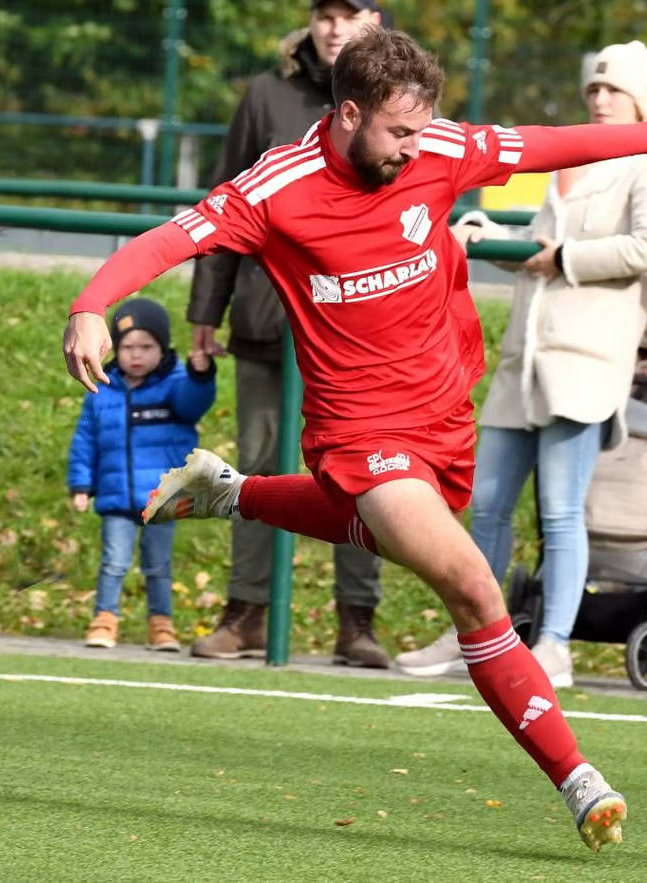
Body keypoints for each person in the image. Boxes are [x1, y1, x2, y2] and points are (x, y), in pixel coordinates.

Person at [63, 28, 647, 851]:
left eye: (422, 129)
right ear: (348, 112)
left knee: (401, 529)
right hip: (358, 430)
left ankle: (232, 491)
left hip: (442, 410)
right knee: (472, 583)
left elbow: (545, 143)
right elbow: (174, 236)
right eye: (399, 132)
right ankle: (579, 778)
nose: (414, 147)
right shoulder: (280, 185)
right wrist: (92, 302)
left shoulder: (436, 146)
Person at [395, 40, 647, 687]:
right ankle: (470, 630)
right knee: (488, 503)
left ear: (640, 99)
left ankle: (553, 645)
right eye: (594, 88)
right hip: (524, 362)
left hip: (585, 365)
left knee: (562, 510)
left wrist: (565, 258)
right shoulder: (576, 159)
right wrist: (482, 231)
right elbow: (542, 245)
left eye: (613, 90)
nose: (599, 98)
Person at [187, 0, 389, 667]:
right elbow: (222, 208)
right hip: (268, 324)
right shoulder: (266, 97)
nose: (335, 27)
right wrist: (204, 314)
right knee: (259, 465)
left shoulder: (397, 104)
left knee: (364, 474)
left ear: (377, 21)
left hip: (359, 336)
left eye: (351, 12)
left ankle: (357, 621)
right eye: (324, 12)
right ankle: (245, 612)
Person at [67, 298, 217, 651]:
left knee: (158, 566)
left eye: (146, 347)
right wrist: (81, 483)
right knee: (113, 563)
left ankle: (161, 626)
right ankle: (104, 620)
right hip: (116, 495)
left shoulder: (176, 383)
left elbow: (194, 402)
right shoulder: (102, 388)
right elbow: (85, 437)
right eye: (128, 347)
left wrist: (200, 374)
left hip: (163, 498)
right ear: (115, 350)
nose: (136, 355)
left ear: (161, 347)